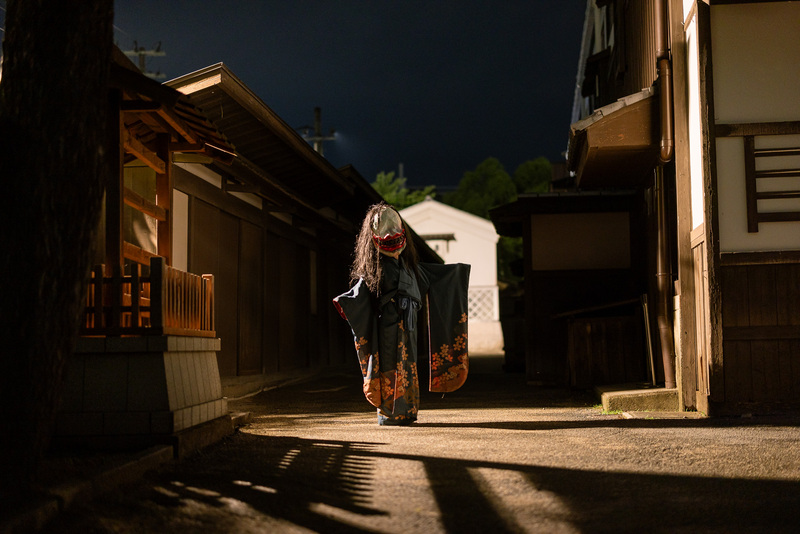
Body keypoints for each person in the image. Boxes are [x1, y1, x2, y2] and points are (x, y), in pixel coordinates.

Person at [333, 202, 470, 425]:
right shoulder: (375, 268)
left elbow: (435, 279)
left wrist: (456, 274)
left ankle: (408, 411)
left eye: (396, 238)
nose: (393, 244)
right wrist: (347, 301)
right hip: (388, 324)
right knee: (391, 366)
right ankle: (390, 413)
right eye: (387, 239)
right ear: (374, 240)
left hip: (409, 325)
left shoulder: (409, 266)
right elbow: (361, 291)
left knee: (408, 366)